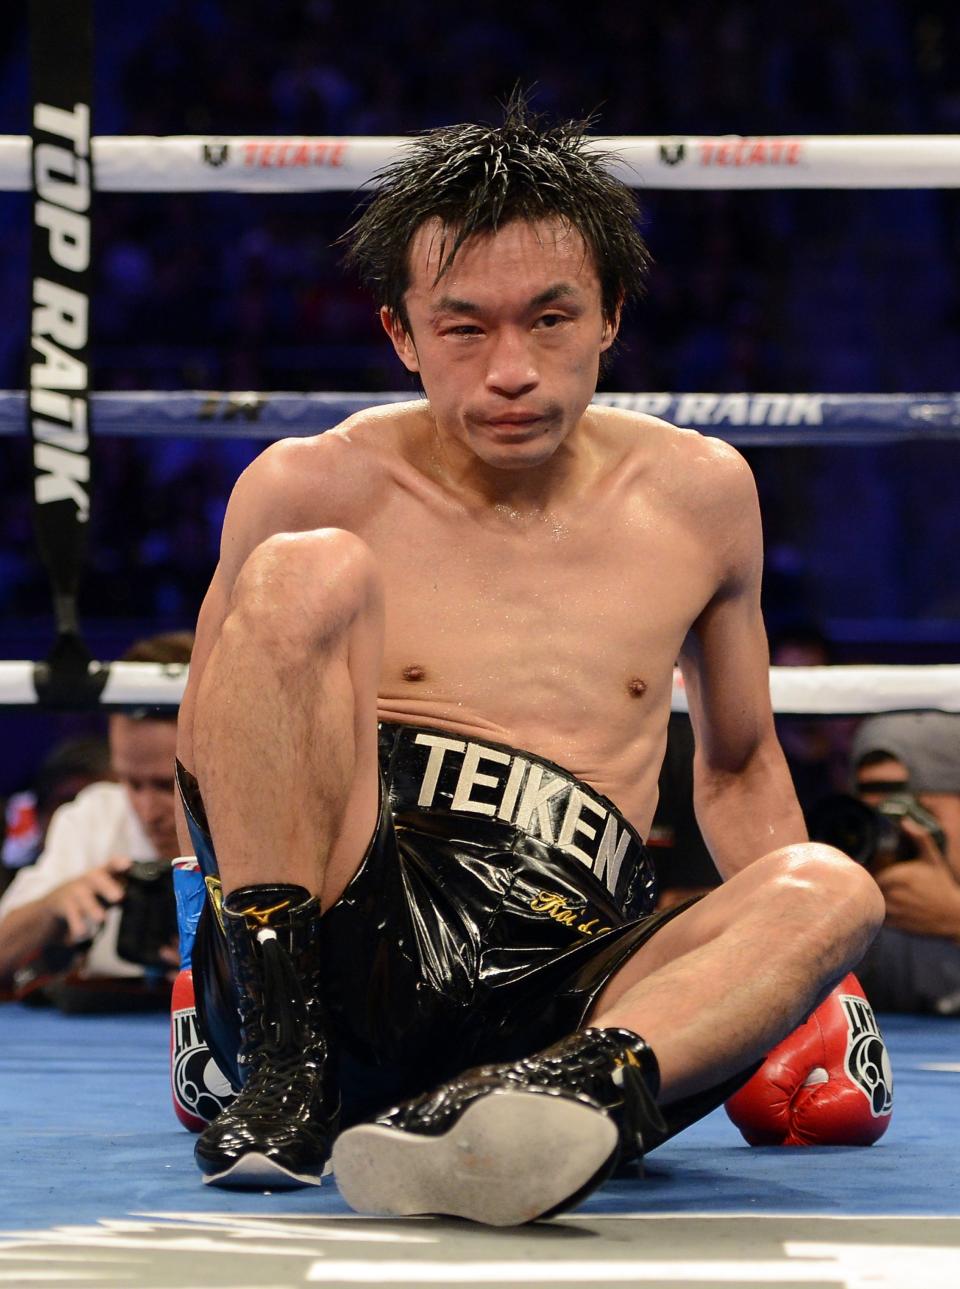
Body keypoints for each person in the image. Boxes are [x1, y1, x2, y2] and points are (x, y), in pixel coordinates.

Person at [175, 100, 884, 1225]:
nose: (513, 369)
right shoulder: (309, 484)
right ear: (401, 335)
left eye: (550, 319)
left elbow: (742, 771)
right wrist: (208, 990)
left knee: (835, 887)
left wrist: (813, 989)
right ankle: (287, 1072)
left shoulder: (703, 497)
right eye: (465, 329)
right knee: (300, 571)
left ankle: (555, 1099)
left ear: (610, 316)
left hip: (583, 981)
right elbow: (215, 753)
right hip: (351, 938)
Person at [0, 632, 192, 996]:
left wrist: (228, 970)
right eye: (131, 783)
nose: (148, 812)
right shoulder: (96, 815)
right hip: (105, 1031)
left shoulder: (267, 826)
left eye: (168, 785)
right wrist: (52, 907)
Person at [850, 711, 960, 1015]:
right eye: (877, 817)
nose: (897, 831)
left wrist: (954, 918)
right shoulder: (859, 915)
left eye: (917, 813)